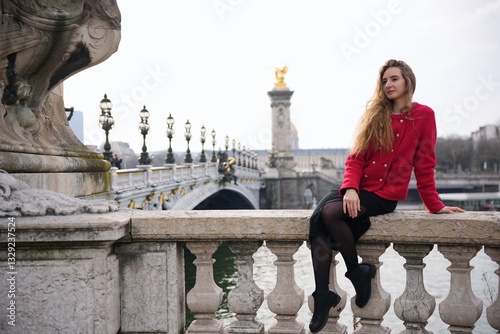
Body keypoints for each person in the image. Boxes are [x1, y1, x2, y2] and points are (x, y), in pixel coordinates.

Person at [308, 59, 465, 333]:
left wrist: (435, 205)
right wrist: (352, 188)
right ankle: (325, 294)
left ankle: (353, 275)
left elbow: (424, 163)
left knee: (330, 213)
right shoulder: (375, 114)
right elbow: (355, 158)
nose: (388, 85)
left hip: (383, 195)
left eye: (394, 79)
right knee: (318, 218)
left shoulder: (424, 115)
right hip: (357, 189)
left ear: (407, 82)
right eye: (384, 80)